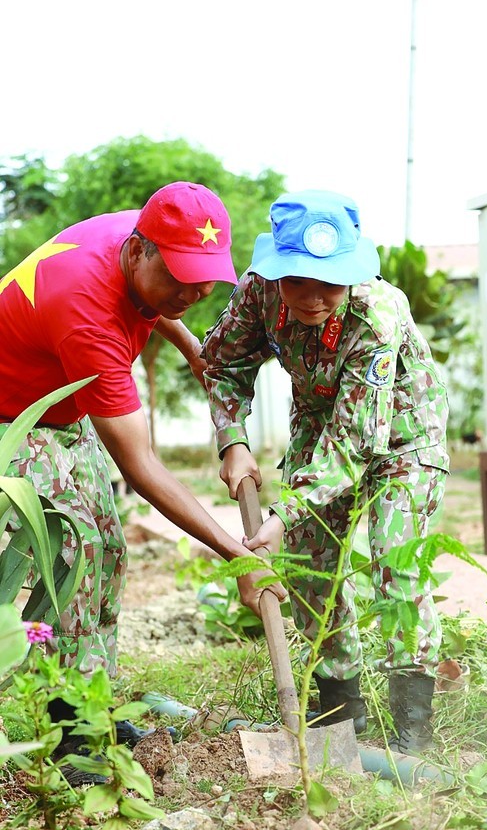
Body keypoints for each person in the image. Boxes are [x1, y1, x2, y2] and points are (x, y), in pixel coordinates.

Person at [0, 181, 286, 777]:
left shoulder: (157, 230)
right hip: (13, 416)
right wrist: (238, 555)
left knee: (105, 551)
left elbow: (149, 301)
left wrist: (185, 341)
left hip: (58, 401)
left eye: (205, 278)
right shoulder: (87, 313)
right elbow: (143, 465)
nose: (196, 291)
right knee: (72, 556)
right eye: (180, 278)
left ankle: (92, 705)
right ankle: (72, 733)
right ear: (139, 250)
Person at [202, 189, 449, 755]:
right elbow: (221, 364)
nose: (314, 298)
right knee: (314, 567)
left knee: (396, 559)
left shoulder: (376, 315)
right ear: (276, 272)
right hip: (318, 424)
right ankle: (341, 709)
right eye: (299, 281)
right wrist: (232, 440)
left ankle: (412, 726)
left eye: (329, 283)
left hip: (403, 436)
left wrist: (282, 513)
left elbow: (358, 442)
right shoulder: (258, 294)